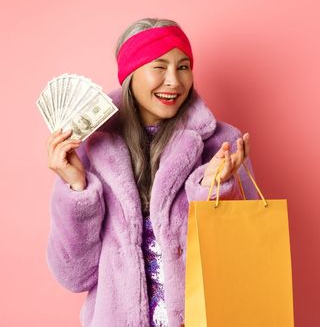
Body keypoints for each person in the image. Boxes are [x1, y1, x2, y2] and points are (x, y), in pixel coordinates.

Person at [45, 17, 259, 327]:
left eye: (183, 67)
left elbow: (243, 258)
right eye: (159, 67)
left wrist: (212, 190)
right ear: (130, 75)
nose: (174, 81)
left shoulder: (222, 145)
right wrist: (78, 190)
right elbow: (74, 275)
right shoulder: (89, 148)